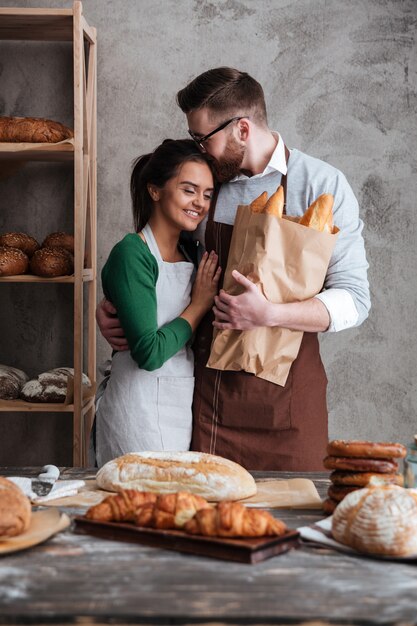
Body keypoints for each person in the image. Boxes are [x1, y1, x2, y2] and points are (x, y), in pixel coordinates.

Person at [96, 68, 370, 471]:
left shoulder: (321, 185)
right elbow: (164, 263)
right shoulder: (207, 184)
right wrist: (119, 303)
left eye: (203, 138)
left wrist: (271, 314)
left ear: (242, 128)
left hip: (287, 403)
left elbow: (355, 300)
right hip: (206, 403)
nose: (199, 149)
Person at [93, 139, 220, 467]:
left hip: (177, 406)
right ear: (155, 190)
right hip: (136, 409)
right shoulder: (133, 254)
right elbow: (148, 353)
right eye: (189, 190)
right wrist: (199, 305)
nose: (200, 203)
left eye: (207, 194)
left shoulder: (192, 253)